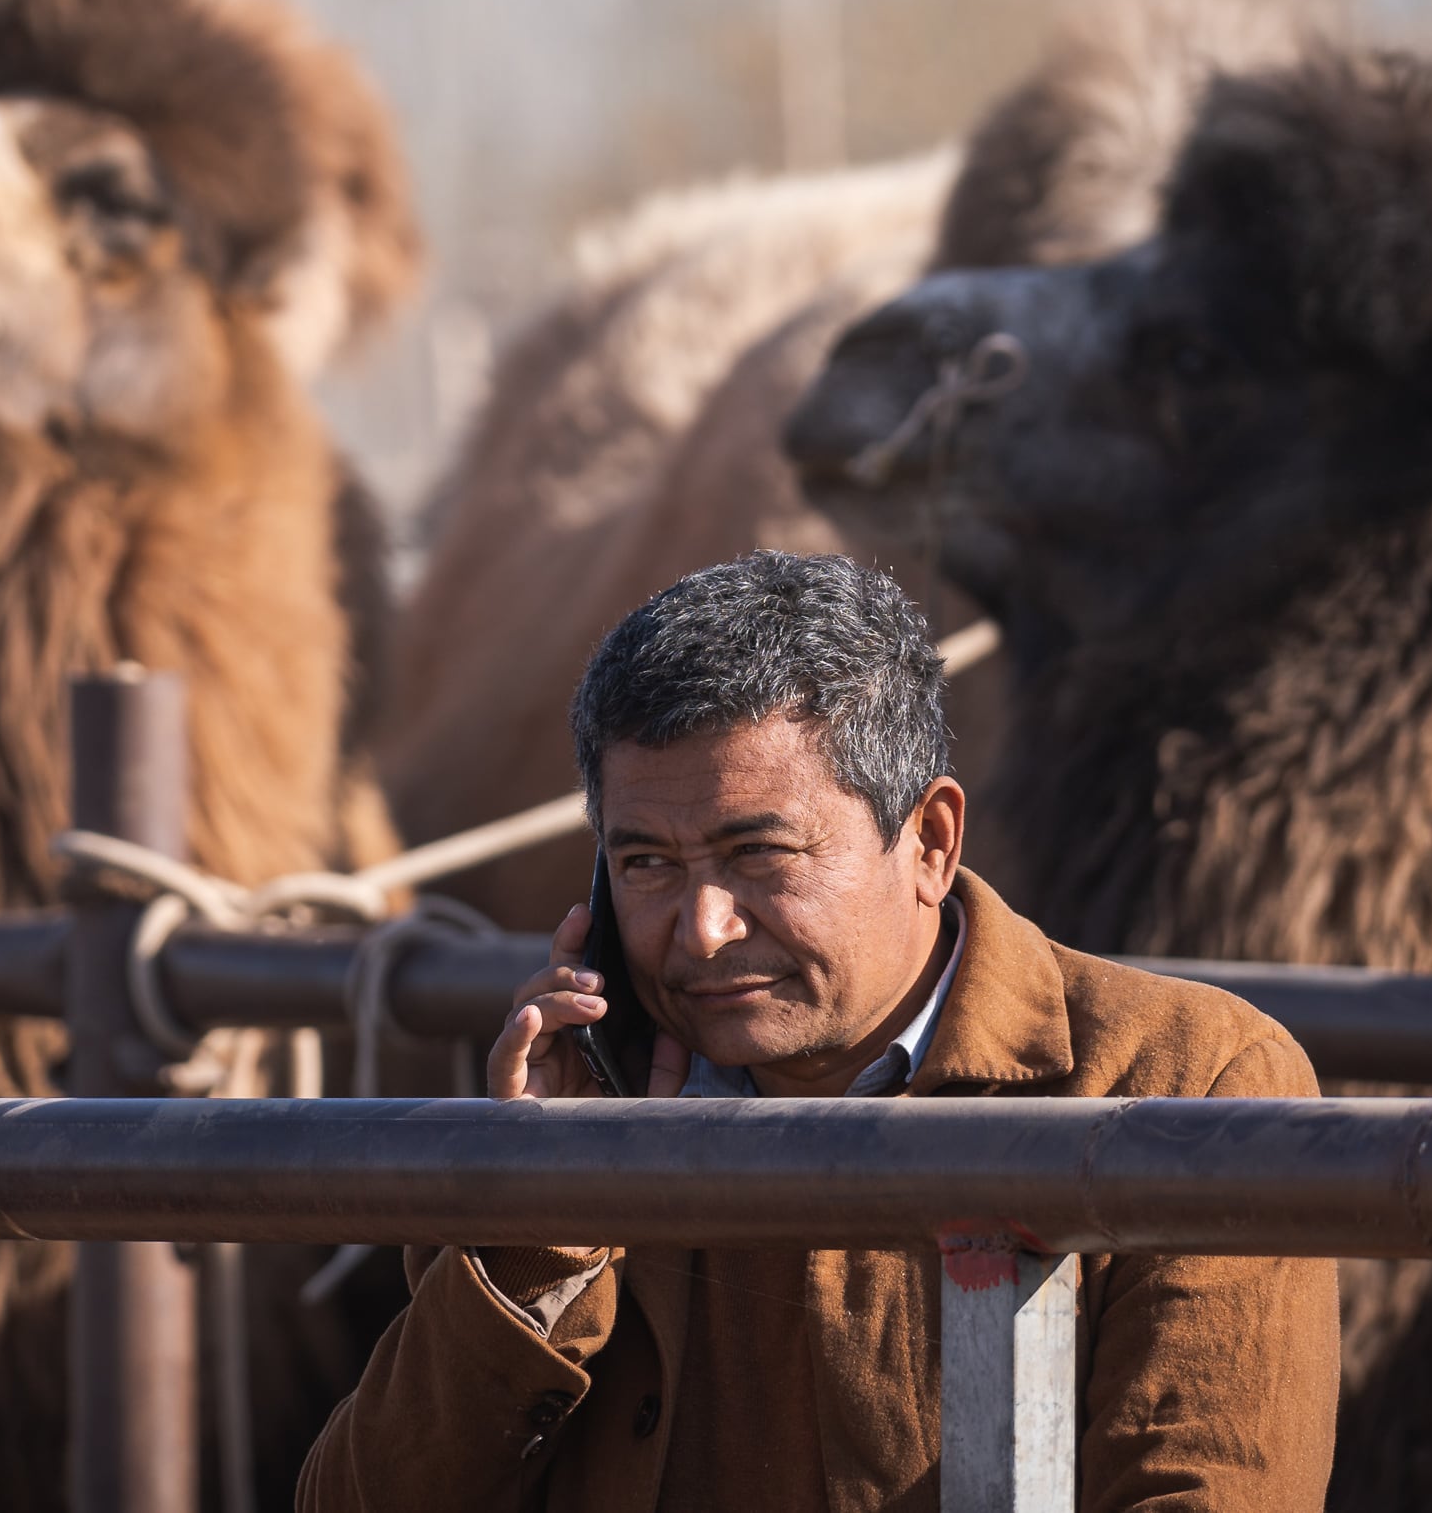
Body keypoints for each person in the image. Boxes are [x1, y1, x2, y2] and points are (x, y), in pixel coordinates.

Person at [298, 551, 1338, 1512]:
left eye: (760, 851)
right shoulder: (571, 1106)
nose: (701, 928)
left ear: (927, 840)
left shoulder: (1188, 1083)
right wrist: (541, 1229)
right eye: (647, 863)